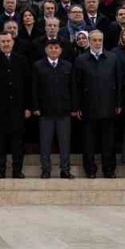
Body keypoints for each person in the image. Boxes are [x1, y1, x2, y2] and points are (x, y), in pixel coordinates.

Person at [74, 30, 123, 179]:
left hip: (108, 105)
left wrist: (119, 103)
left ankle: (109, 170)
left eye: (99, 40)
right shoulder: (81, 59)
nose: (97, 43)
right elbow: (76, 85)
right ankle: (90, 170)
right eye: (94, 40)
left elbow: (119, 82)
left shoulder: (113, 58)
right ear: (89, 41)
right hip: (88, 106)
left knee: (108, 141)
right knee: (88, 142)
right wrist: (77, 107)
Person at [0, 30, 31, 179]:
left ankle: (17, 169)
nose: (5, 44)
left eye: (8, 41)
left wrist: (28, 107)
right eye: (3, 41)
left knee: (18, 141)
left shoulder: (22, 60)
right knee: (0, 141)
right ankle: (1, 169)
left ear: (13, 42)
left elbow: (28, 85)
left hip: (18, 108)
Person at [33, 39, 76, 179]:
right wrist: (36, 107)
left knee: (65, 143)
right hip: (45, 111)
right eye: (51, 48)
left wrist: (74, 107)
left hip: (64, 111)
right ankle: (46, 170)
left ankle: (65, 170)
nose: (53, 50)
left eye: (56, 48)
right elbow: (34, 89)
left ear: (60, 50)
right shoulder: (38, 66)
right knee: (45, 143)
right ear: (46, 50)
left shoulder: (68, 66)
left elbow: (73, 88)